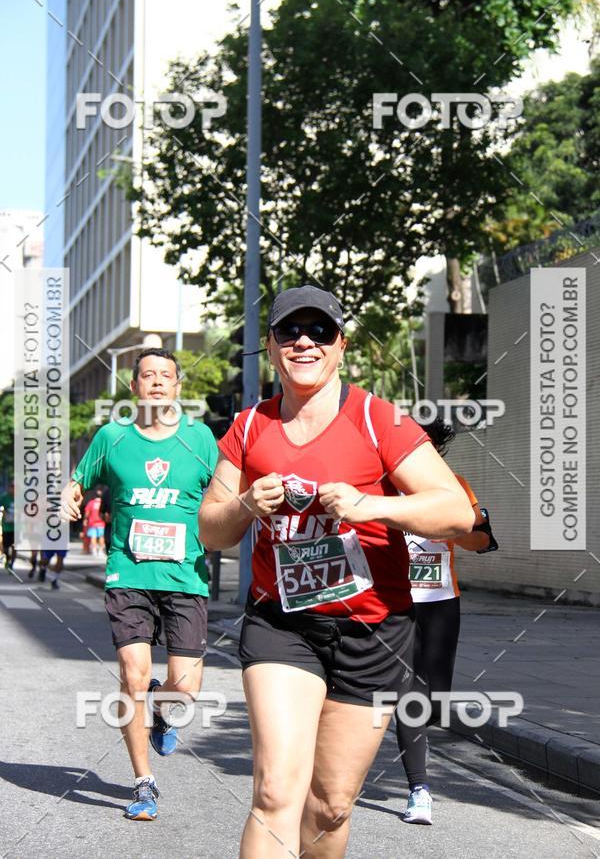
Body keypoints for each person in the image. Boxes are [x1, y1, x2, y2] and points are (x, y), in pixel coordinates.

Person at [199, 285, 475, 859]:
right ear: (271, 348)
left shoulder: (380, 420)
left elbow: (456, 512)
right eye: (289, 332)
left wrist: (371, 506)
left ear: (341, 345)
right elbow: (211, 531)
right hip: (282, 626)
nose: (304, 342)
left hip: (374, 633)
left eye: (320, 331)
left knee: (330, 806)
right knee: (275, 791)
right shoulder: (248, 428)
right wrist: (245, 504)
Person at [61, 348, 218, 822]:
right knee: (132, 675)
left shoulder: (200, 438)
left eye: (165, 375)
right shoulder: (112, 437)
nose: (157, 382)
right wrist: (69, 496)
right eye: (148, 375)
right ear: (134, 388)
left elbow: (225, 494)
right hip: (128, 572)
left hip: (186, 574)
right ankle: (143, 782)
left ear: (178, 386)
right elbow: (78, 481)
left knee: (186, 686)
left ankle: (163, 710)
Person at [396, 416, 498, 825]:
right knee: (411, 695)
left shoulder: (455, 486)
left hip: (440, 602)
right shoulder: (382, 488)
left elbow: (484, 541)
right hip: (393, 604)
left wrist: (451, 529)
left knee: (435, 701)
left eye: (428, 447)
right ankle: (418, 788)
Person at [84, 486, 106, 557]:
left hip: (92, 523)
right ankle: (101, 550)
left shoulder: (91, 503)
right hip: (101, 523)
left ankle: (94, 550)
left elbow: (87, 513)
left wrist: (85, 519)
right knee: (101, 536)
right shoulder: (103, 502)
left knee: (93, 536)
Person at [0, 482, 16, 569]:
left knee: (15, 546)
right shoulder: (4, 497)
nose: (13, 489)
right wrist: (3, 511)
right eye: (12, 487)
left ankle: (12, 563)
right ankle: (8, 558)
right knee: (6, 546)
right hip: (7, 527)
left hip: (17, 527)